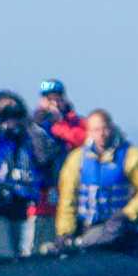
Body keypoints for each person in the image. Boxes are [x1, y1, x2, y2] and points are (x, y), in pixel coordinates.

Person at [0, 89, 64, 258]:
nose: (10, 117)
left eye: (14, 112)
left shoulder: (29, 138)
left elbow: (45, 156)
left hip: (22, 206)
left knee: (25, 257)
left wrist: (27, 121)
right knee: (2, 255)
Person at [55, 109, 138, 249]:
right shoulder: (77, 159)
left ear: (111, 128)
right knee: (81, 240)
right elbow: (67, 197)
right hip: (87, 225)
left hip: (119, 225)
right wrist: (65, 231)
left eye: (105, 128)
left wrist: (127, 214)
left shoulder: (132, 155)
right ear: (89, 132)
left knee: (105, 236)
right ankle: (77, 242)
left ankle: (87, 243)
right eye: (96, 130)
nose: (101, 134)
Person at [29, 78, 85, 254]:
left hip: (71, 191)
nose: (53, 103)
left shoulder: (75, 122)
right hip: (42, 193)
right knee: (39, 238)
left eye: (57, 98)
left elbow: (82, 140)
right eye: (48, 98)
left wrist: (59, 124)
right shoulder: (33, 125)